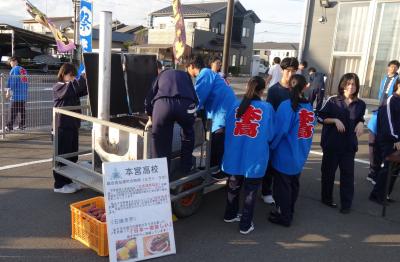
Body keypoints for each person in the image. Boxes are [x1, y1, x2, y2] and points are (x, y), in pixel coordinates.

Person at [222, 76, 275, 234]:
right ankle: (245, 224)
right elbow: (271, 134)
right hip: (255, 157)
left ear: (247, 87)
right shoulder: (267, 108)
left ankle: (229, 214)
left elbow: (227, 126)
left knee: (233, 186)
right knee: (250, 191)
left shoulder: (235, 105)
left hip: (234, 155)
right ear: (262, 90)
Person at [268, 74, 315, 227]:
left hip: (285, 153)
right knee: (293, 185)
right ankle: (289, 211)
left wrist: (270, 146)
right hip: (300, 152)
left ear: (289, 86)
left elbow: (279, 131)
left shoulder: (287, 106)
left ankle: (284, 216)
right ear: (304, 87)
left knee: (282, 188)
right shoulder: (308, 107)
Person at [318, 73, 366, 214]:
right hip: (331, 144)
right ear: (343, 85)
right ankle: (326, 198)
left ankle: (346, 203)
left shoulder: (360, 104)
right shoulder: (333, 100)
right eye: (348, 83)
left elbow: (360, 117)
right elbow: (320, 117)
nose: (351, 87)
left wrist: (362, 122)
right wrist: (334, 120)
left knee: (348, 175)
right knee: (328, 174)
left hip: (349, 146)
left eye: (354, 84)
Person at [186, 55, 237, 180]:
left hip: (222, 110)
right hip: (221, 109)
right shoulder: (208, 73)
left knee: (218, 138)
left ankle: (222, 169)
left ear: (192, 66)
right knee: (214, 140)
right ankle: (212, 166)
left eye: (187, 68)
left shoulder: (204, 73)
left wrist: (187, 111)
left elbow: (198, 97)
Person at [145, 69, 198, 174]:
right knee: (188, 133)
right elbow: (195, 97)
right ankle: (186, 168)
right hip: (186, 104)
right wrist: (192, 116)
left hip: (163, 105)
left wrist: (150, 117)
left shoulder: (161, 75)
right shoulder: (186, 76)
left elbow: (148, 98)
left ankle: (160, 175)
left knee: (160, 140)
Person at [261, 57, 299, 205]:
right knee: (270, 163)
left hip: (291, 135)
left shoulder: (296, 90)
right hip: (276, 133)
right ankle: (266, 191)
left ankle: (280, 191)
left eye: (293, 71)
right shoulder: (274, 90)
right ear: (282, 70)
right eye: (288, 71)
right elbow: (270, 114)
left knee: (283, 164)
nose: (290, 74)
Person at [53, 63, 88, 193]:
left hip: (72, 126)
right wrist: (84, 76)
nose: (73, 78)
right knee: (62, 155)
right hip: (61, 127)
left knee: (72, 155)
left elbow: (82, 89)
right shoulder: (59, 87)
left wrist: (90, 80)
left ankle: (68, 180)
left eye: (75, 75)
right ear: (63, 74)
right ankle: (59, 184)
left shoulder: (70, 87)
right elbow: (74, 87)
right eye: (71, 75)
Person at [366, 60, 400, 185]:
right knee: (372, 142)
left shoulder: (397, 80)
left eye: (395, 67)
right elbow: (381, 96)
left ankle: (377, 174)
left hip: (388, 115)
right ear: (388, 67)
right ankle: (372, 170)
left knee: (381, 146)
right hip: (379, 112)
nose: (393, 69)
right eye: (391, 66)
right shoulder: (384, 79)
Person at [369, 78, 400, 204]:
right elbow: (388, 123)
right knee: (387, 168)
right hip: (388, 139)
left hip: (397, 140)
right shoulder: (391, 100)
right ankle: (378, 196)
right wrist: (396, 138)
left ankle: (383, 194)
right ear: (398, 84)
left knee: (394, 170)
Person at [5, 56, 28, 132]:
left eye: (10, 62)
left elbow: (13, 82)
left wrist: (8, 91)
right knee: (22, 111)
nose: (10, 64)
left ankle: (9, 127)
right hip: (23, 94)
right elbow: (25, 81)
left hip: (16, 94)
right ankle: (22, 126)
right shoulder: (23, 69)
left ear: (15, 61)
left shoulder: (15, 69)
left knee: (13, 111)